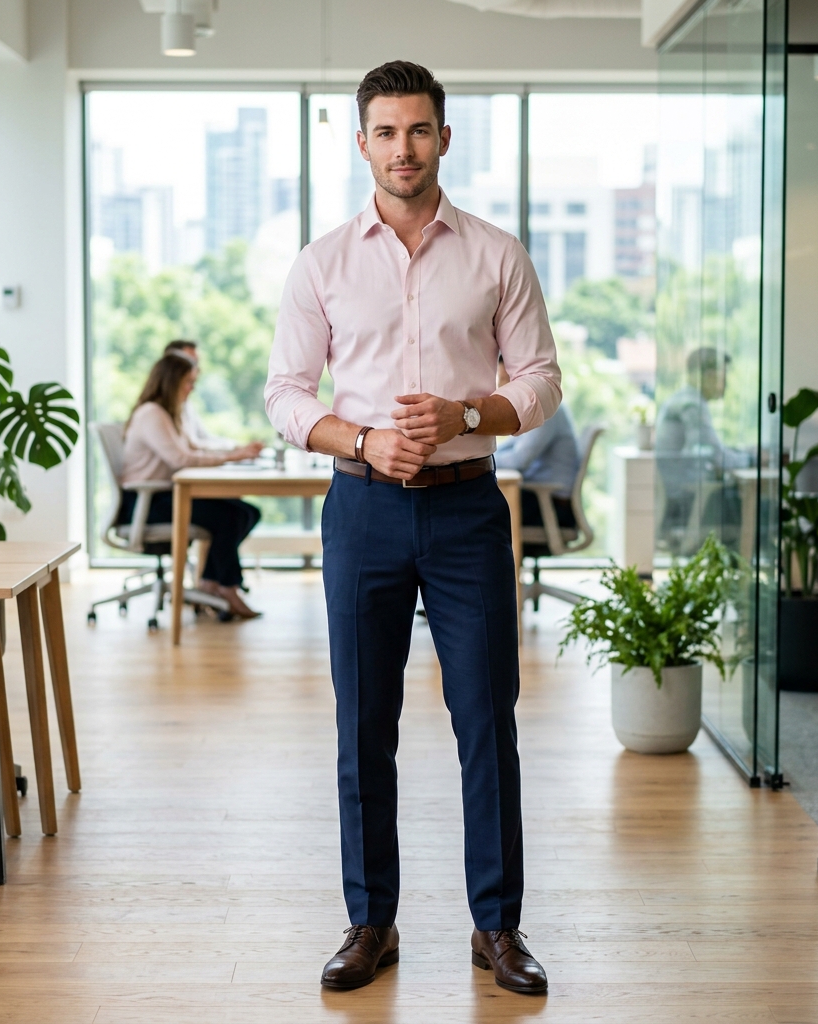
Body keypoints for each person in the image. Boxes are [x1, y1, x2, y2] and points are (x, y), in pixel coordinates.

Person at [265, 60, 560, 995]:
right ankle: (370, 921)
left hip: (471, 509)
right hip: (362, 509)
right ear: (362, 143)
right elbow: (284, 393)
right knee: (364, 723)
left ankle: (498, 927)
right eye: (386, 132)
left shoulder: (497, 254)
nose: (404, 148)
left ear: (444, 137)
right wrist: (358, 438)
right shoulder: (322, 262)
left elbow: (542, 381)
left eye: (419, 130)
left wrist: (469, 417)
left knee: (486, 721)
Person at [121, 351, 264, 619]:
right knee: (230, 516)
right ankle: (227, 588)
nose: (191, 389)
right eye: (188, 382)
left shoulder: (169, 413)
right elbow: (179, 458)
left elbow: (194, 446)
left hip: (164, 496)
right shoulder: (152, 413)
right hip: (148, 503)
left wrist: (237, 450)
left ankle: (211, 582)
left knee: (246, 512)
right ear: (171, 381)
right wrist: (233, 455)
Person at [655, 347, 750, 547]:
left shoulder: (683, 399)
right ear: (709, 375)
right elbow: (717, 456)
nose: (726, 383)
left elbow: (707, 450)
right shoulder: (692, 406)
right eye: (723, 376)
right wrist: (752, 459)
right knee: (760, 505)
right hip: (689, 499)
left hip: (684, 491)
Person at [494, 357, 582, 530]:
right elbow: (511, 447)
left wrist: (483, 462)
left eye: (506, 380)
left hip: (552, 508)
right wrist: (484, 456)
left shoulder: (544, 410)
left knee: (483, 506)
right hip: (543, 500)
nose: (502, 389)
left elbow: (519, 460)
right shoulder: (528, 410)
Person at [162, 339, 235, 451]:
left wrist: (235, 447)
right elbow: (188, 449)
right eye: (191, 361)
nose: (196, 369)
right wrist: (233, 452)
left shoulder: (185, 403)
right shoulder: (157, 409)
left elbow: (204, 437)